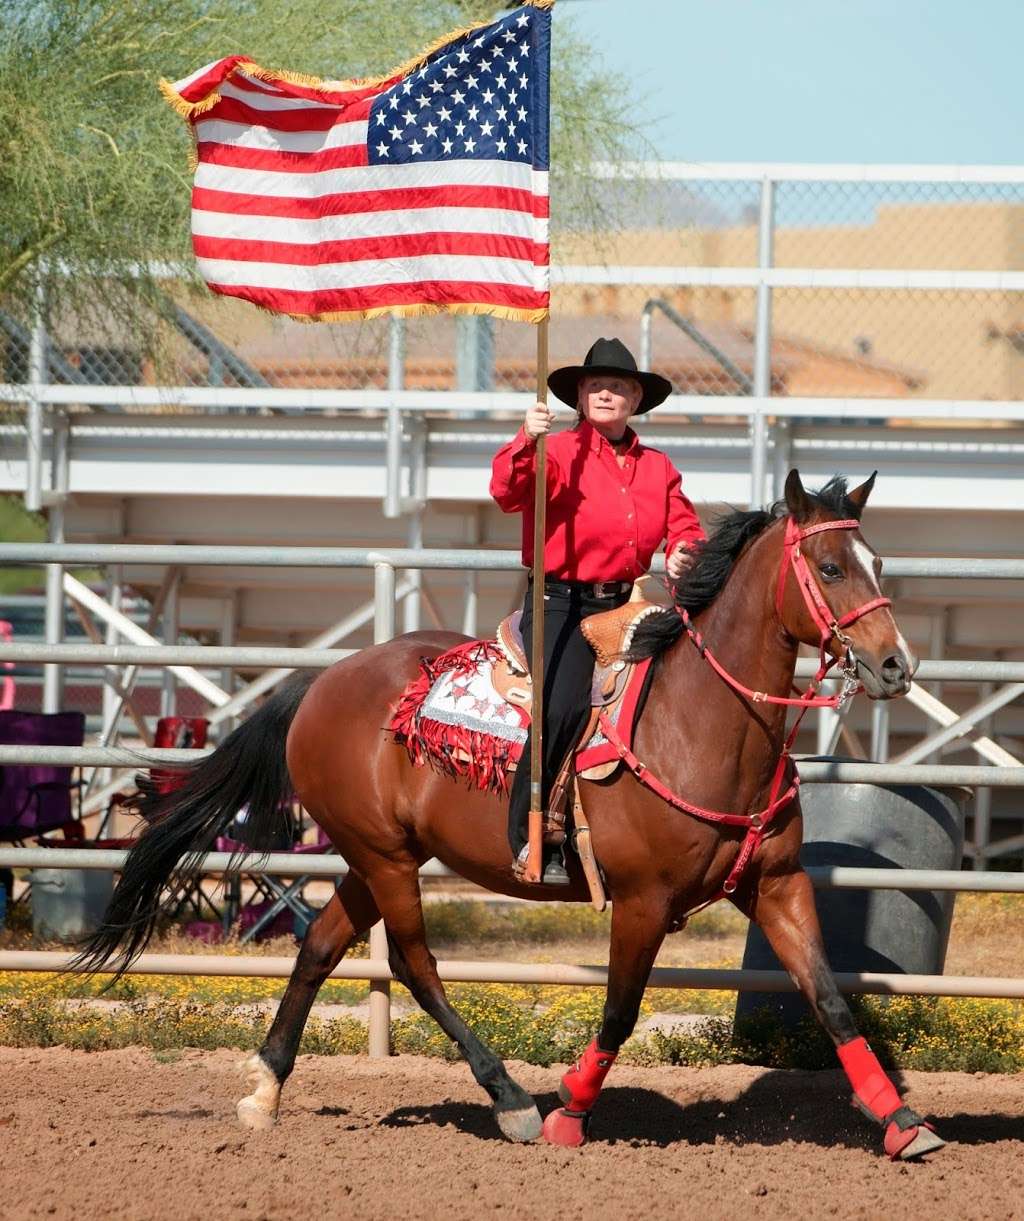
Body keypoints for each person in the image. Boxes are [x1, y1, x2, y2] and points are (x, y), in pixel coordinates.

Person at [490, 337, 706, 884]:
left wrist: (683, 551)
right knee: (562, 707)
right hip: (559, 602)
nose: (606, 394)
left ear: (636, 399)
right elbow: (508, 491)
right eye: (594, 386)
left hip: (624, 603)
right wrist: (525, 441)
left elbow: (684, 525)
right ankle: (532, 837)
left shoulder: (658, 466)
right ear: (580, 397)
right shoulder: (557, 451)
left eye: (617, 387)